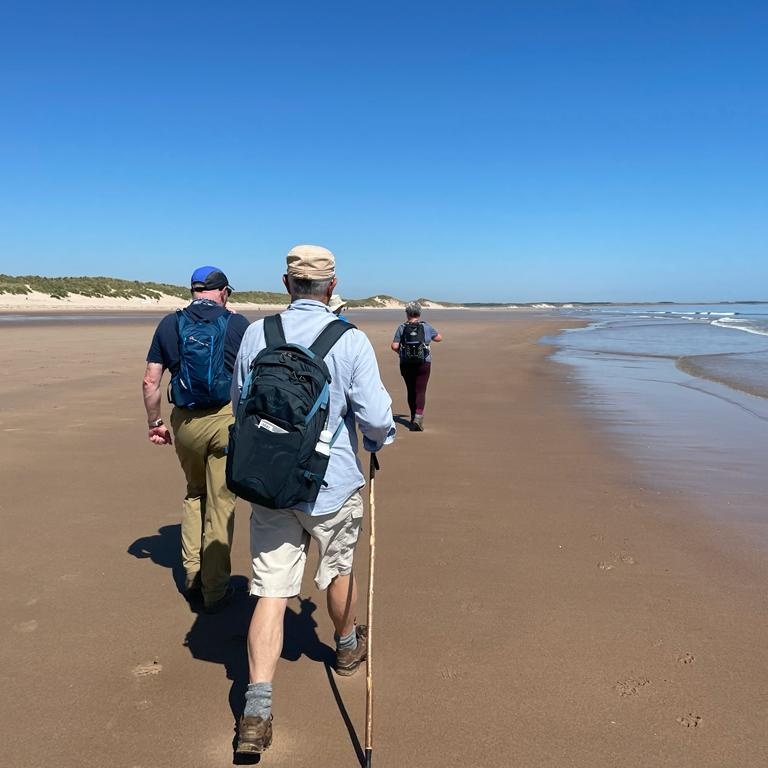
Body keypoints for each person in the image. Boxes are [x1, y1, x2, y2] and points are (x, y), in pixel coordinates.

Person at [231, 244, 395, 756]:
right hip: (332, 484)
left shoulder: (258, 333)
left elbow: (241, 403)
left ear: (286, 283)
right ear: (331, 285)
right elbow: (375, 416)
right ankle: (346, 647)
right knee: (338, 569)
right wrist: (380, 439)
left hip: (270, 483)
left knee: (272, 592)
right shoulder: (350, 340)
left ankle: (256, 710)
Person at [142, 266, 249, 613]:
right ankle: (216, 588)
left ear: (193, 291)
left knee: (195, 494)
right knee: (222, 502)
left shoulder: (169, 324)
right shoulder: (236, 324)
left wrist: (155, 423)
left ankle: (191, 573)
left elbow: (150, 381)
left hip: (185, 421)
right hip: (225, 420)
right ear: (222, 292)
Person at [391, 302, 443, 431]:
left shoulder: (402, 327)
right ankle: (418, 417)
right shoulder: (426, 326)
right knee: (421, 390)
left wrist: (401, 353)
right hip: (423, 362)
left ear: (407, 313)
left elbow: (394, 346)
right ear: (419, 313)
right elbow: (438, 338)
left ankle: (413, 415)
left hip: (406, 362)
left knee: (411, 389)